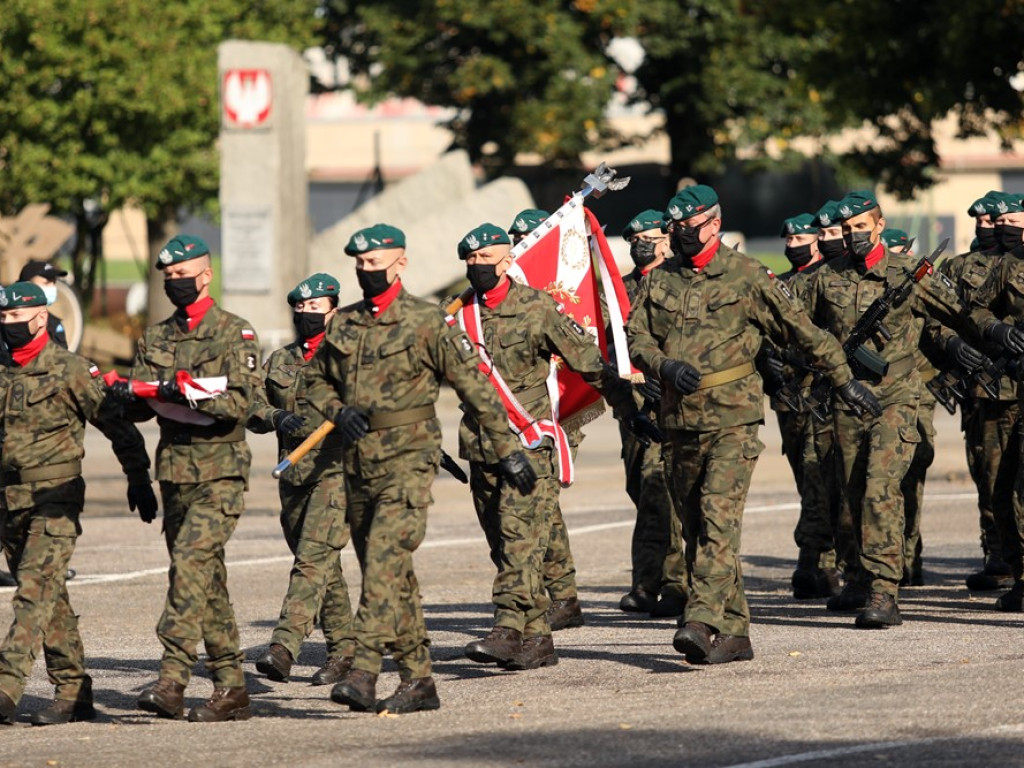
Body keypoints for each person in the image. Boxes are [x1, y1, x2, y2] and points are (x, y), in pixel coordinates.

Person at [626, 184, 877, 663]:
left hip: (732, 419)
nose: (680, 236)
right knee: (697, 525)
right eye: (675, 228)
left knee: (719, 521)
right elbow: (636, 338)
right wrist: (662, 366)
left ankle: (700, 618)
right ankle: (736, 634)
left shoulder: (746, 276)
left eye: (690, 228)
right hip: (679, 420)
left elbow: (804, 333)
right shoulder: (661, 280)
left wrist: (845, 382)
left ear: (714, 225)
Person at [303, 223, 534, 714]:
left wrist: (508, 449)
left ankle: (364, 670)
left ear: (400, 263)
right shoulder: (342, 324)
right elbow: (315, 381)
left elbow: (475, 389)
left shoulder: (427, 322)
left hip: (409, 462)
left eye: (376, 263)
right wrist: (335, 410)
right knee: (391, 573)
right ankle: (419, 680)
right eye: (360, 265)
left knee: (384, 561)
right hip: (358, 464)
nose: (367, 272)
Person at [453, 223, 658, 671]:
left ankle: (507, 629)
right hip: (481, 447)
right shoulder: (458, 316)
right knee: (502, 545)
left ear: (507, 261)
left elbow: (589, 363)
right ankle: (538, 640)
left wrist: (630, 409)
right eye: (469, 261)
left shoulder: (536, 309)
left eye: (485, 259)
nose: (476, 267)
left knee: (519, 542)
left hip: (528, 444)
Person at [801, 191, 981, 628]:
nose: (852, 236)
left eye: (861, 227)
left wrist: (987, 333)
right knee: (851, 492)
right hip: (847, 397)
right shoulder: (827, 276)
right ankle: (860, 578)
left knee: (881, 489)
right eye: (846, 230)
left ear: (879, 226)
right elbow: (797, 327)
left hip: (897, 394)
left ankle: (884, 591)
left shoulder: (909, 274)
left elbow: (960, 313)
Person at [113, 234, 263, 722]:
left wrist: (189, 393)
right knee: (207, 578)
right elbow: (139, 404)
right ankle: (232, 685)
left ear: (206, 275)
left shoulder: (234, 333)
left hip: (220, 472)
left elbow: (241, 405)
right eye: (168, 277)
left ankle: (172, 678)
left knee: (191, 568)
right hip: (174, 471)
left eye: (183, 275)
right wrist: (132, 395)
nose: (175, 283)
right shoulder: (155, 338)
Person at [0, 281, 156, 726]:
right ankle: (73, 690)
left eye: (16, 317)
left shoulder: (71, 370)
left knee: (32, 591)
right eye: (3, 318)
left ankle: (7, 686)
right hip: (8, 500)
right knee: (51, 594)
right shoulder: (2, 371)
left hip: (57, 499)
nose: (9, 325)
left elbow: (118, 425)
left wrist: (138, 478)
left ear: (40, 318)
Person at [247, 273, 356, 686]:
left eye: (316, 308)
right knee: (322, 564)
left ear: (333, 311)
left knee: (312, 560)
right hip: (292, 474)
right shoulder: (281, 360)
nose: (307, 315)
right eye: (301, 308)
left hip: (338, 470)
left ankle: (283, 646)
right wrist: (276, 416)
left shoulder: (351, 357)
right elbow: (252, 404)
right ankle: (345, 649)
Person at [507, 207, 590, 631]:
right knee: (541, 511)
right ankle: (560, 594)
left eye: (527, 239)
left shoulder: (547, 300)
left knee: (540, 507)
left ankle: (550, 596)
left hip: (556, 412)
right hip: (512, 417)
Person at [761, 213, 841, 599]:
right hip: (789, 398)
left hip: (822, 394)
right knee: (805, 478)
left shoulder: (830, 278)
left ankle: (819, 560)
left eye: (802, 240)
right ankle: (819, 558)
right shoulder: (784, 285)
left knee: (821, 478)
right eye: (789, 241)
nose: (793, 246)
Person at [938, 193, 1016, 591]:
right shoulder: (960, 267)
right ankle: (1000, 556)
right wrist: (955, 346)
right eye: (982, 221)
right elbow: (942, 315)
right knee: (991, 475)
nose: (987, 226)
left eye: (996, 220)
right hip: (986, 386)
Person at [615, 209, 686, 617]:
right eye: (634, 238)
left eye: (648, 236)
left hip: (674, 400)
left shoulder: (679, 282)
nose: (640, 243)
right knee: (642, 493)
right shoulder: (620, 288)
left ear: (665, 239)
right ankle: (652, 578)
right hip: (635, 405)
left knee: (663, 489)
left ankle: (666, 583)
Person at [966, 193, 1024, 612]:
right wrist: (998, 330)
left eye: (1010, 219)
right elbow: (975, 309)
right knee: (1004, 490)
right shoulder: (1007, 265)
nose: (1002, 227)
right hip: (1008, 387)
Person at [18, 260, 69, 349]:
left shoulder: (54, 324)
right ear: (27, 285)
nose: (52, 287)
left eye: (54, 283)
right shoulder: (9, 320)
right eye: (46, 283)